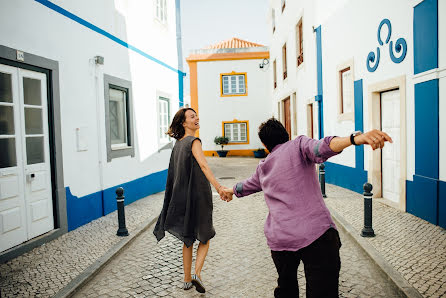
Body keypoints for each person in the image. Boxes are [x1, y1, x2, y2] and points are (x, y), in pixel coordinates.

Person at [221, 118, 392, 298]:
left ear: (265, 144)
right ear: (286, 135)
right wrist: (354, 139)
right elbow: (321, 147)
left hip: (281, 241)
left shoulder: (263, 167)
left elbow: (246, 186)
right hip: (317, 235)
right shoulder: (298, 145)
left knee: (286, 290)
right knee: (323, 291)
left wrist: (230, 190)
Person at [153, 108, 227, 293]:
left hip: (183, 198)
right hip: (199, 196)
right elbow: (203, 165)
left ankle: (186, 280)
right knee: (205, 235)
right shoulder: (194, 142)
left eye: (196, 115)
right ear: (184, 123)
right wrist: (219, 187)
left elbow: (173, 175)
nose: (196, 118)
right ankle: (196, 273)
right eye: (192, 117)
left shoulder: (177, 145)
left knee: (188, 239)